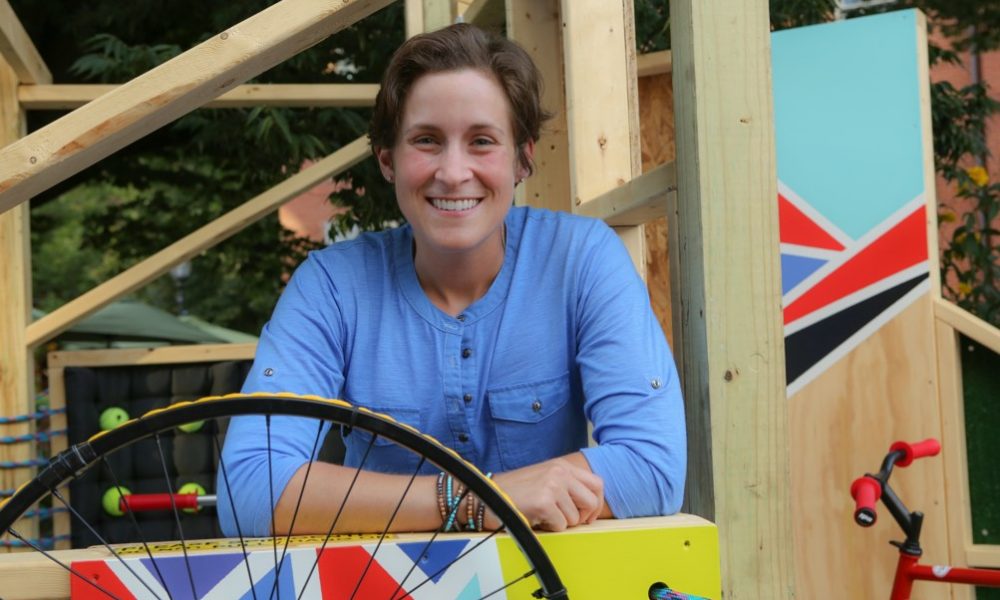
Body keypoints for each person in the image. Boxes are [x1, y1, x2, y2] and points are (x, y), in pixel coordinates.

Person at [218, 23, 685, 538]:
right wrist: (479, 500)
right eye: (427, 141)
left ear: (523, 158)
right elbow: (250, 493)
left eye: (482, 141)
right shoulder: (331, 286)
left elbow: (653, 468)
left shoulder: (581, 258)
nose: (453, 171)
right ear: (388, 161)